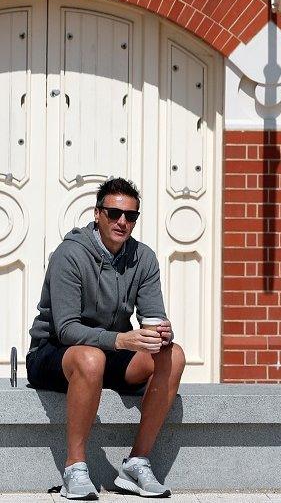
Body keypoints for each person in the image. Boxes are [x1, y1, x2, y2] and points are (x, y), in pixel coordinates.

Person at [26, 178, 185, 500]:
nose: (122, 222)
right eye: (114, 214)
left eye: (131, 216)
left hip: (109, 351)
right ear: (97, 214)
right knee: (90, 357)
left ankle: (137, 463)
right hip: (54, 353)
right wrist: (123, 341)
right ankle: (75, 468)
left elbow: (152, 316)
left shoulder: (144, 258)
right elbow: (67, 329)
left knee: (175, 354)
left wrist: (161, 333)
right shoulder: (69, 254)